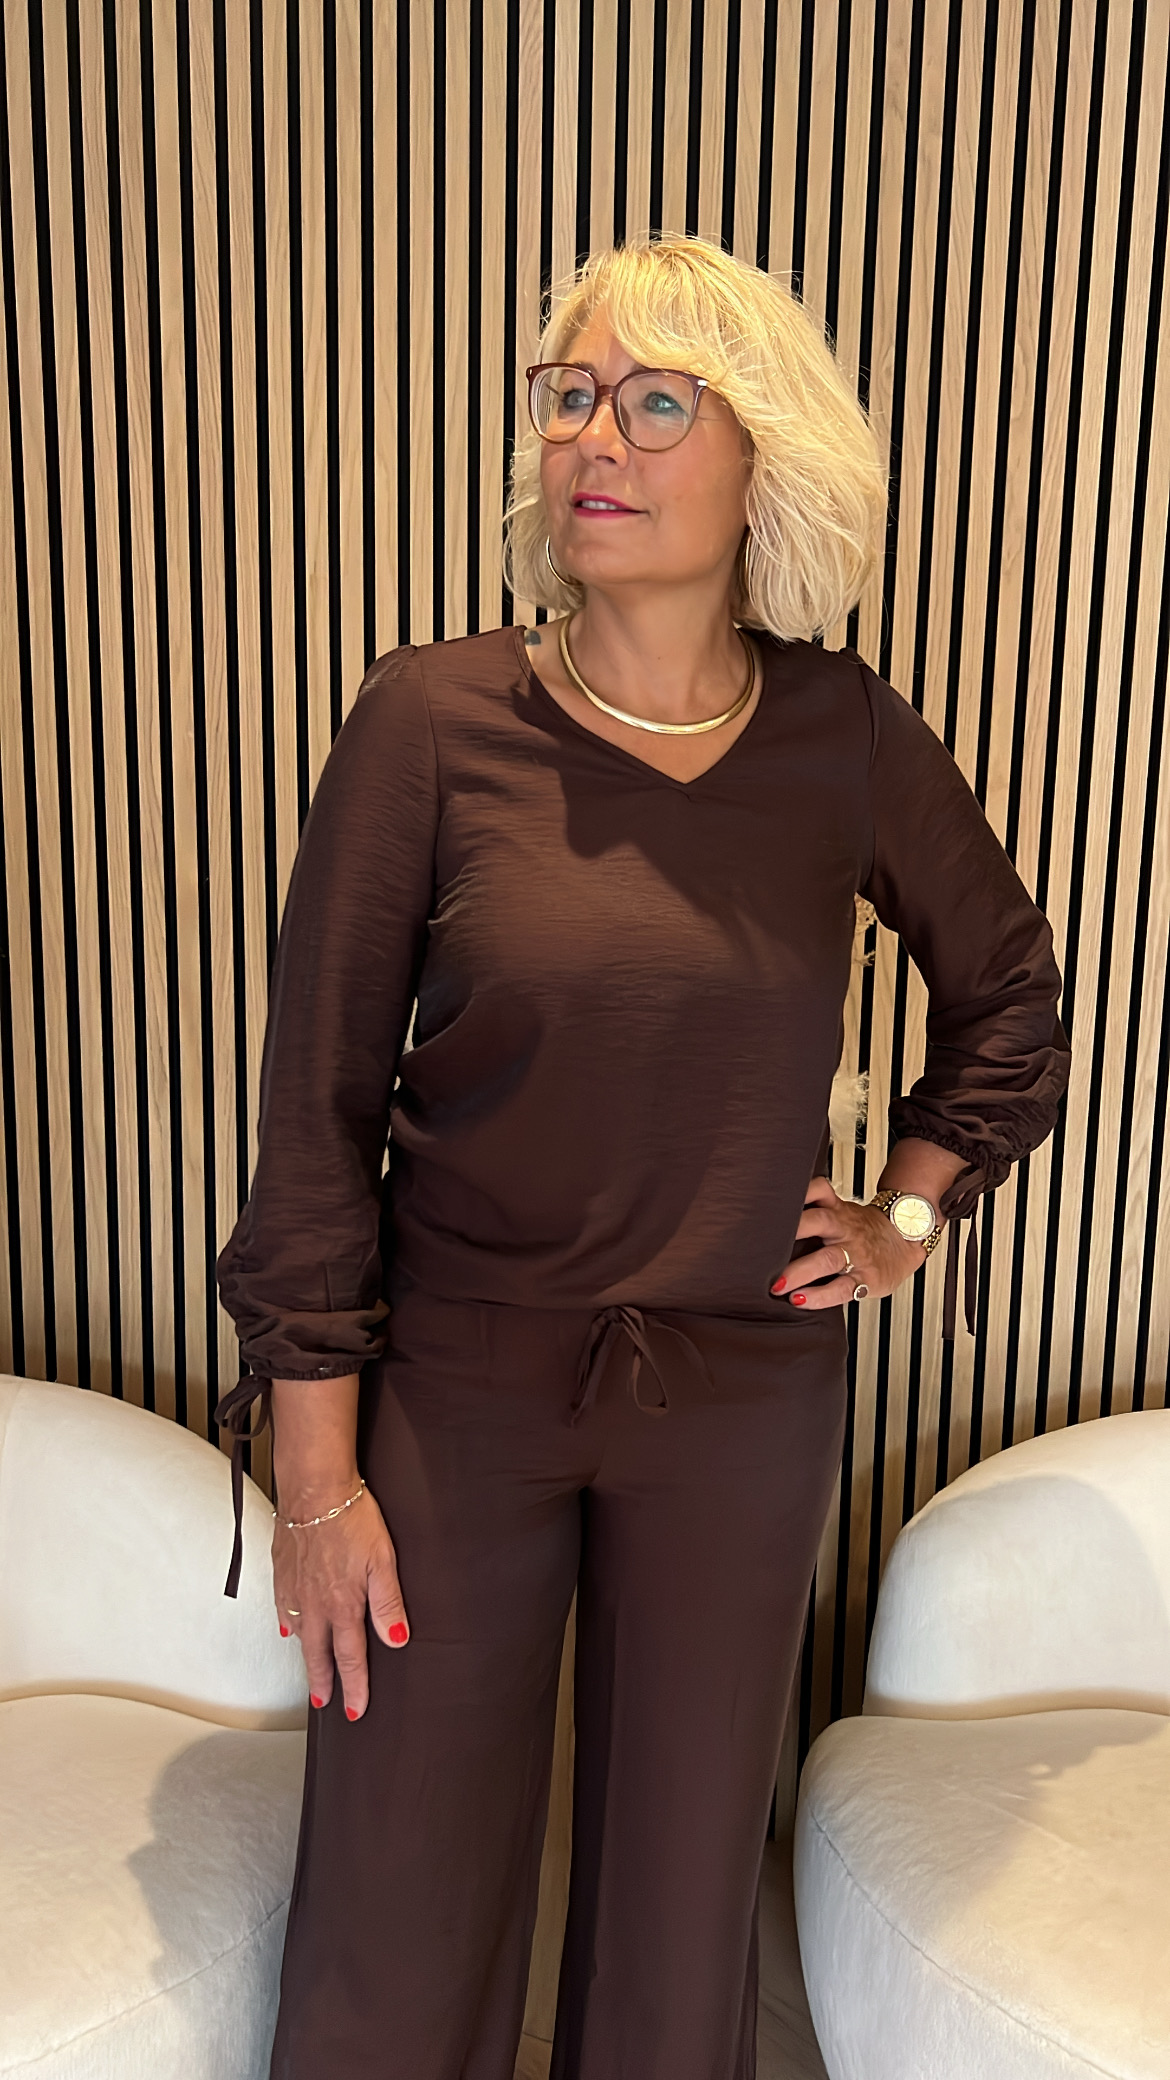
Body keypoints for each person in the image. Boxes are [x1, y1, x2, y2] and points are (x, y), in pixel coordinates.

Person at [215, 233, 1071, 2080]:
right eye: (571, 396)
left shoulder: (841, 736)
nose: (595, 437)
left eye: (659, 401)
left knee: (683, 1901)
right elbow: (315, 1115)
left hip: (739, 1391)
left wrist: (906, 1212)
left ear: (764, 459)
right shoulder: (431, 723)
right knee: (398, 1893)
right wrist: (315, 1479)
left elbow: (1009, 995)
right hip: (456, 1386)